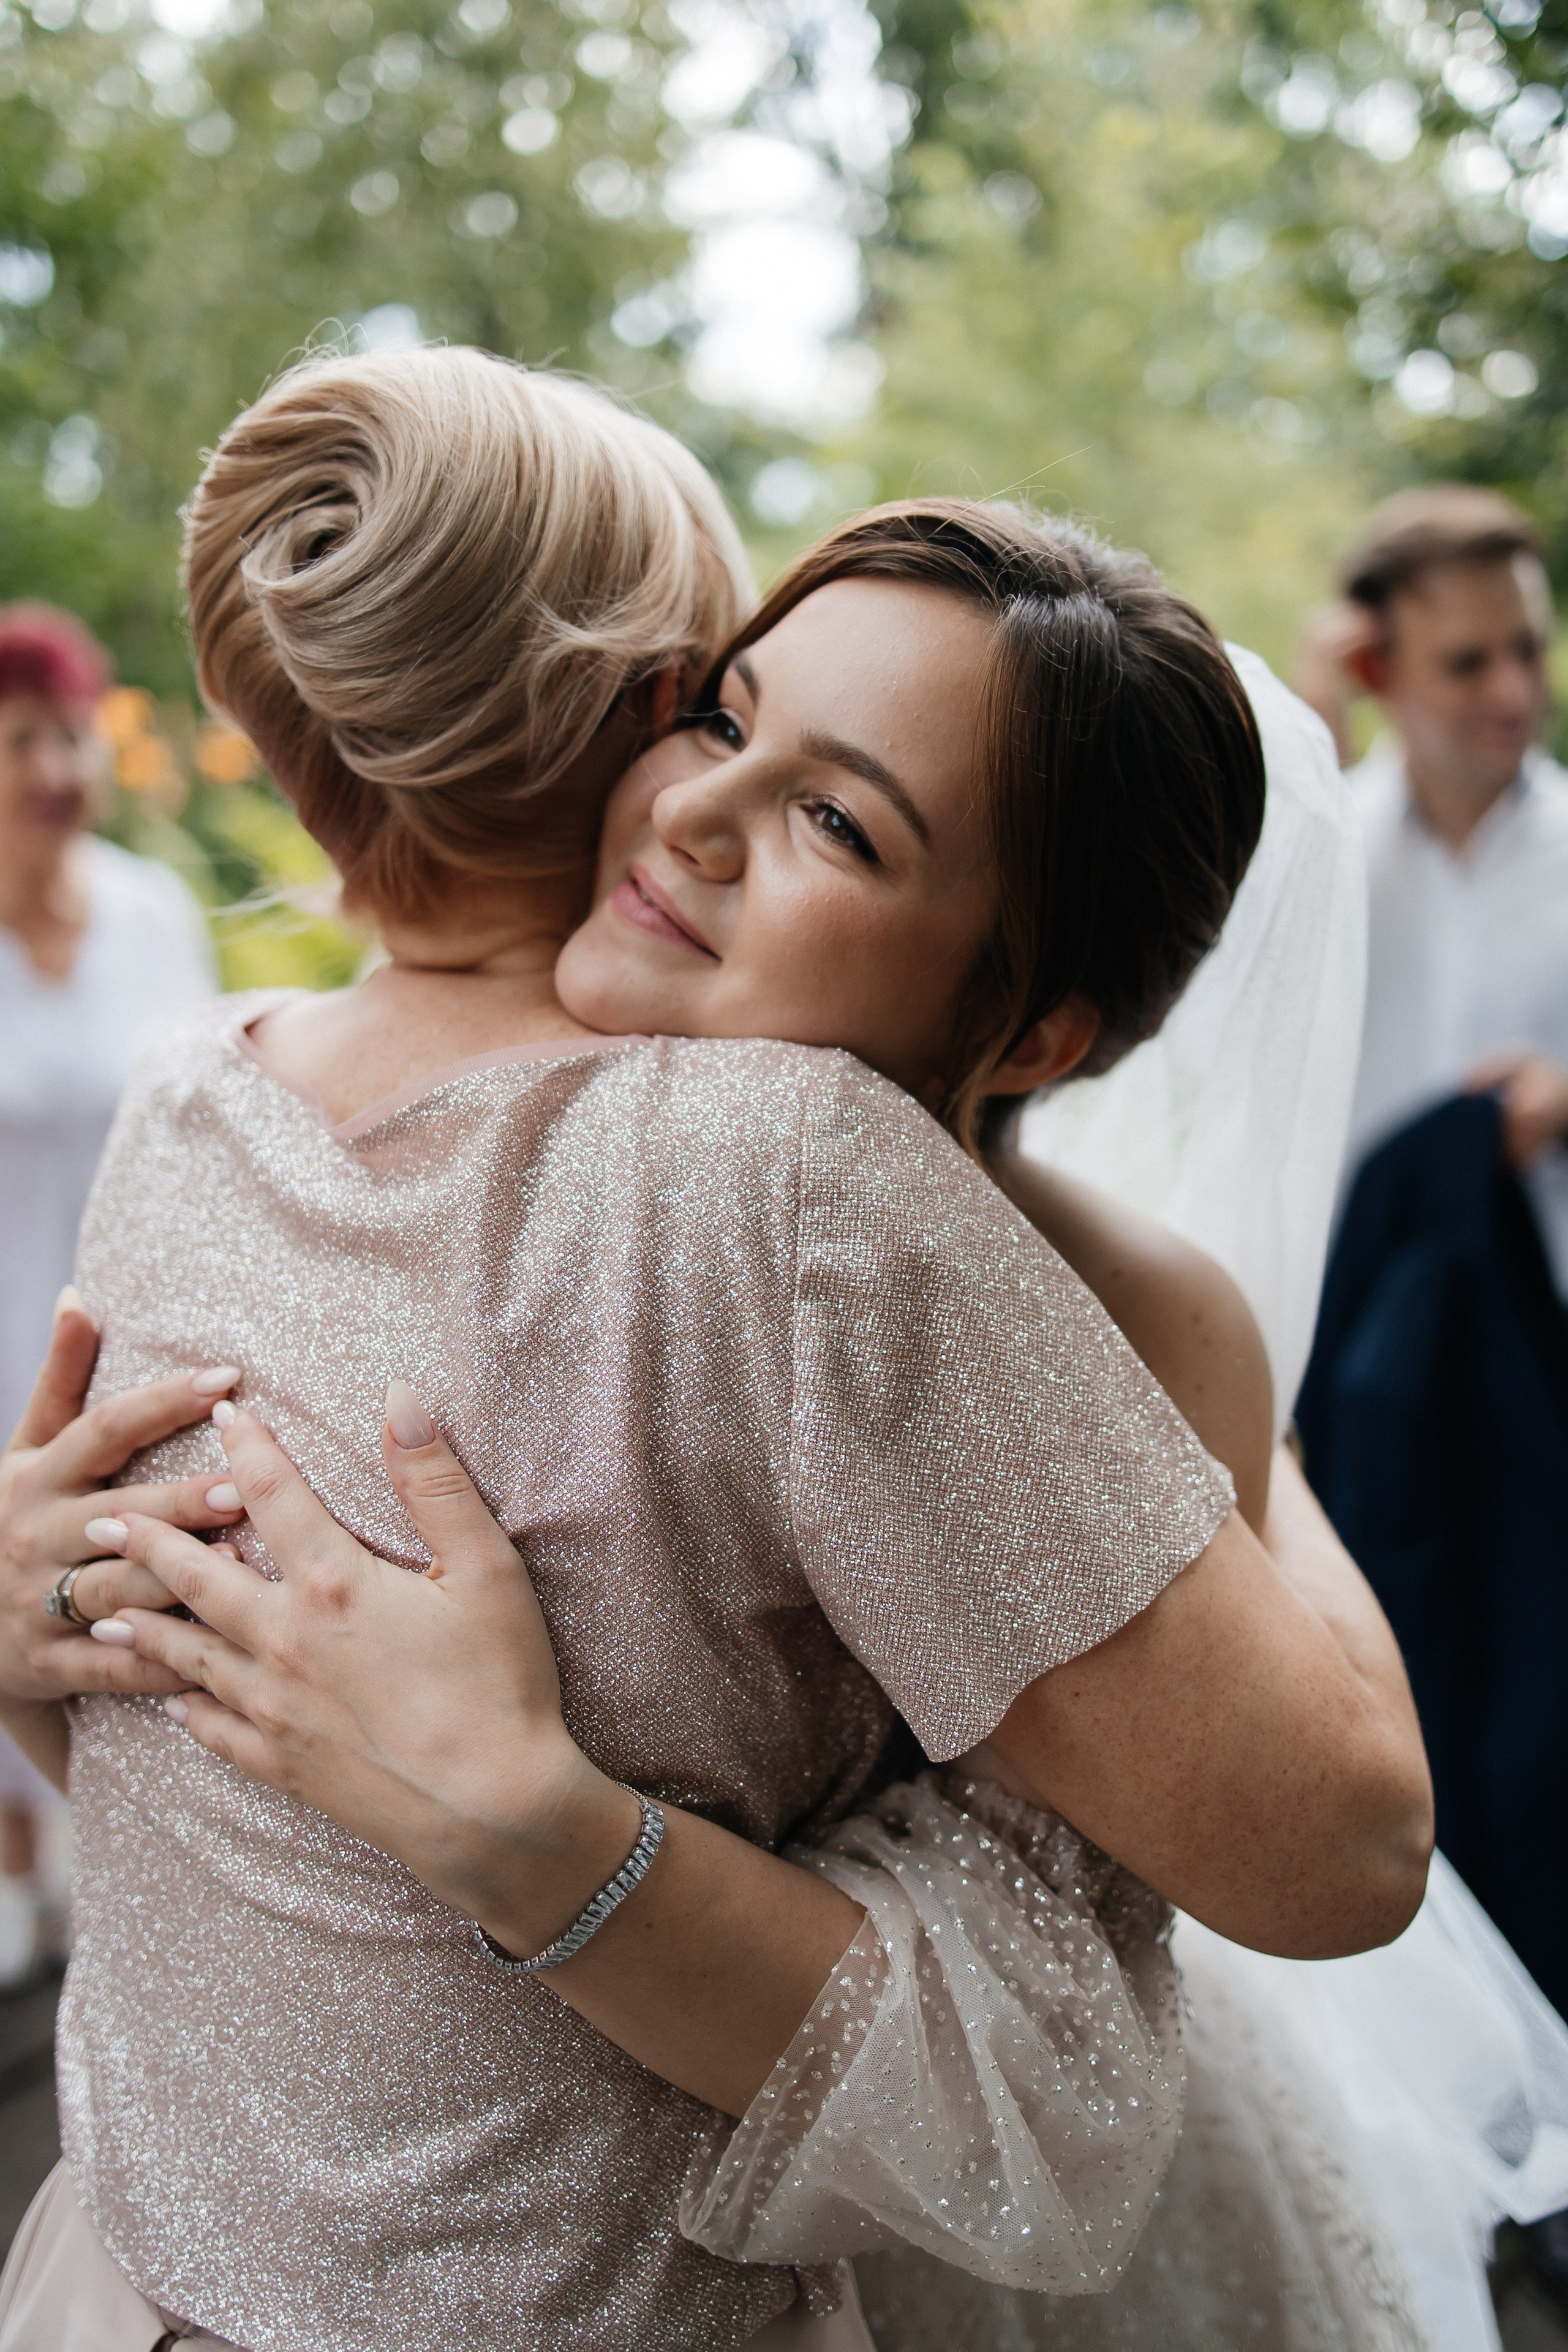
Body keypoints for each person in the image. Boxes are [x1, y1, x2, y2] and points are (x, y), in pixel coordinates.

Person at [0, 350, 1430, 2352]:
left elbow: (1346, 1840)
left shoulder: (222, 1097)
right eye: (715, 714)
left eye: (838, 819)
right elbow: (253, 1819)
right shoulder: (709, 1167)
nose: (690, 813)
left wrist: (1187, 1388)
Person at [0, 603, 212, 1988]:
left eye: (71, 735)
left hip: (118, 1325)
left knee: (114, 1590)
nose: (56, 767)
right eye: (22, 742)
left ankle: (109, 1860)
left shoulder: (153, 910)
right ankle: (15, 1870)